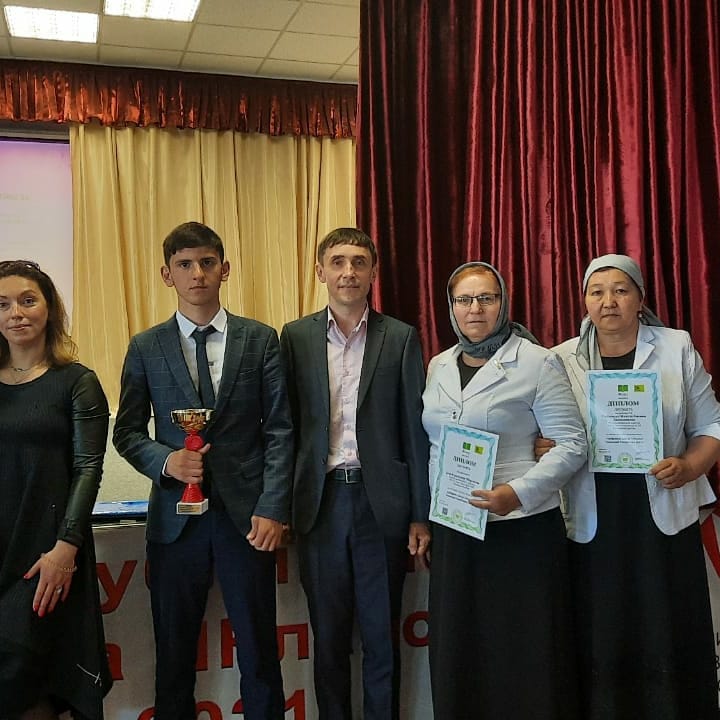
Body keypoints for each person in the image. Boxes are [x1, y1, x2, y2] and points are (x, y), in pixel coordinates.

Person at [112, 222, 292, 720]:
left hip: (247, 520)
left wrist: (273, 506)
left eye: (207, 263)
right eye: (185, 265)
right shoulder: (145, 346)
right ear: (167, 274)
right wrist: (166, 461)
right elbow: (127, 432)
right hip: (175, 522)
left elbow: (280, 429)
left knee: (259, 651)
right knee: (173, 656)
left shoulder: (260, 339)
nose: (197, 274)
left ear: (224, 269)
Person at [547, 254, 720, 719]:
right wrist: (545, 443)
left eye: (621, 290)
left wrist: (689, 466)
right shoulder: (560, 359)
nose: (609, 301)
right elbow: (545, 431)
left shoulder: (676, 347)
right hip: (593, 518)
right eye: (597, 292)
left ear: (640, 299)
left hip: (661, 514)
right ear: (584, 301)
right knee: (602, 631)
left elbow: (712, 426)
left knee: (666, 627)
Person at [422, 261, 588, 720]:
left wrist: (515, 493)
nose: (474, 308)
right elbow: (434, 443)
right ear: (451, 308)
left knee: (522, 650)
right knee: (462, 649)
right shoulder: (438, 365)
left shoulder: (537, 361)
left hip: (520, 530)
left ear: (503, 303)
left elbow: (572, 444)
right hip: (457, 529)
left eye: (486, 298)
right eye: (463, 299)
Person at [279, 227, 430, 720]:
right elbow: (285, 428)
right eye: (338, 262)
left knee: (382, 638)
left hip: (380, 506)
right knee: (328, 639)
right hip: (319, 506)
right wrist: (280, 506)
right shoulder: (295, 337)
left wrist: (419, 514)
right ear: (320, 271)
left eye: (359, 262)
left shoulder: (400, 337)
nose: (348, 272)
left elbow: (414, 431)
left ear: (373, 273)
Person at [0, 260, 112, 720]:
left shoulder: (76, 382)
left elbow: (88, 469)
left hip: (45, 554)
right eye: (3, 304)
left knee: (26, 674)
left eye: (28, 300)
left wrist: (66, 547)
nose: (16, 313)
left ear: (49, 309)